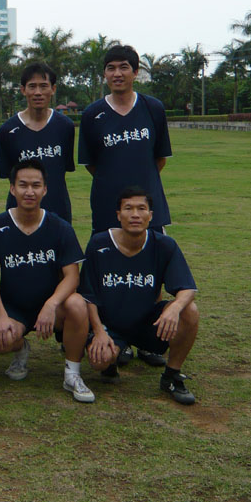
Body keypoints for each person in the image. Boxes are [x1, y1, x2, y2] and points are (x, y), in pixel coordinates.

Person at [77, 44, 172, 367]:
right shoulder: (93, 114)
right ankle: (114, 334)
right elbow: (92, 163)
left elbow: (158, 159)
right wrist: (115, 189)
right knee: (107, 271)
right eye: (111, 68)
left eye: (124, 67)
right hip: (107, 205)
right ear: (104, 74)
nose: (117, 74)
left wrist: (138, 199)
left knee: (151, 268)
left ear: (135, 72)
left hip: (146, 206)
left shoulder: (152, 108)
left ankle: (149, 339)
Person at [0, 159, 95, 403]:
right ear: (12, 189)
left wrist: (51, 304)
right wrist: (0, 315)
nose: (29, 191)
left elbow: (72, 275)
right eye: (23, 185)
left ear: (45, 189)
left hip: (52, 308)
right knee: (1, 341)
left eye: (36, 185)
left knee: (77, 304)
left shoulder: (59, 227)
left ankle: (72, 373)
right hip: (15, 308)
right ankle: (20, 348)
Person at [78, 187, 199, 404]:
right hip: (110, 325)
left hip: (148, 323)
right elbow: (88, 294)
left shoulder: (164, 245)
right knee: (99, 361)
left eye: (141, 208)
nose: (135, 214)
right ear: (118, 215)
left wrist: (174, 307)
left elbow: (188, 288)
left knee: (189, 310)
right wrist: (98, 331)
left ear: (150, 215)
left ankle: (171, 376)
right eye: (128, 208)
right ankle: (113, 357)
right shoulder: (99, 243)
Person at [0, 62, 76, 222]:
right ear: (23, 90)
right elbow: (9, 175)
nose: (38, 93)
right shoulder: (8, 130)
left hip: (58, 210)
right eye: (32, 86)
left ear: (53, 89)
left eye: (43, 86)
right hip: (20, 213)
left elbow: (63, 168)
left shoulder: (65, 126)